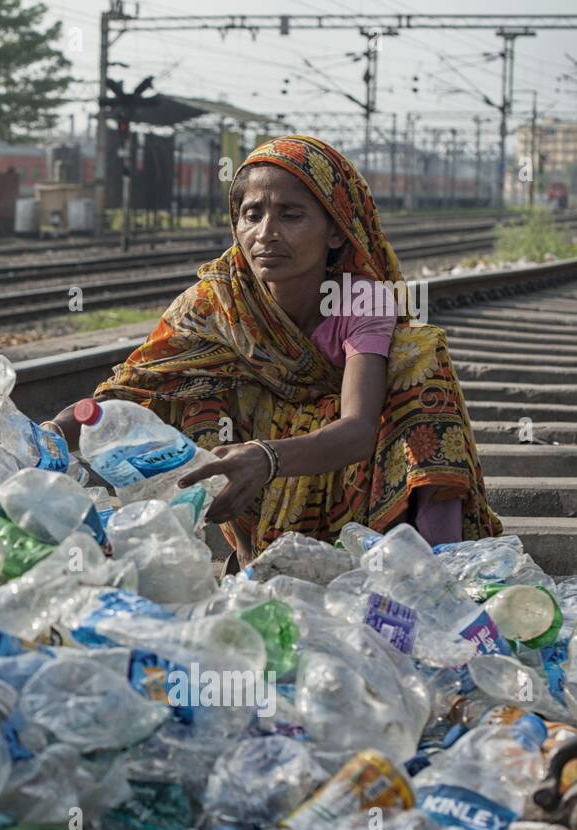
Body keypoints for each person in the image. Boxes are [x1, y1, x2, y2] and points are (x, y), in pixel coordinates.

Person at [49, 135, 502, 572]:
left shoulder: (358, 299)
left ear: (336, 234)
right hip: (253, 471)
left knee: (418, 355)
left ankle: (434, 566)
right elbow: (131, 390)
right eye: (252, 214)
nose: (266, 234)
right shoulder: (216, 303)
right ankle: (250, 556)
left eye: (291, 215)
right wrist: (49, 434)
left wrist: (267, 457)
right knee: (193, 384)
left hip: (338, 465)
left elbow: (359, 428)